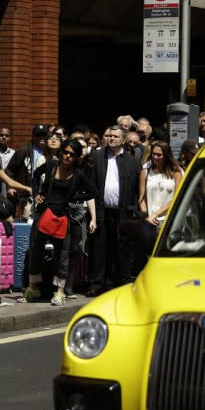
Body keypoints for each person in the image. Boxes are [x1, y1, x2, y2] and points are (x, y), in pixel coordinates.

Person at [23, 140, 97, 306]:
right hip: (43, 212)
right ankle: (33, 287)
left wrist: (73, 198)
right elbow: (35, 176)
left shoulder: (78, 174)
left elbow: (93, 191)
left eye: (71, 154)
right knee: (36, 249)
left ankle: (60, 291)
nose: (67, 156)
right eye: (65, 152)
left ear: (77, 157)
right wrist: (36, 194)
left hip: (63, 215)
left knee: (62, 254)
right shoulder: (51, 165)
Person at [85, 125, 141, 296]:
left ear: (124, 140)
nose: (111, 138)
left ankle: (121, 284)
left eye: (115, 136)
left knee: (122, 250)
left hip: (124, 213)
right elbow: (91, 186)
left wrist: (135, 211)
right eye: (109, 135)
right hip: (102, 211)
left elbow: (138, 188)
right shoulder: (97, 156)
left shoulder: (132, 161)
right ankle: (96, 284)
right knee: (100, 249)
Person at [134, 141, 182, 275]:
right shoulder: (146, 171)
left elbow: (176, 198)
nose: (155, 157)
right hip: (149, 220)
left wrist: (156, 214)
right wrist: (146, 216)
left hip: (167, 219)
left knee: (166, 255)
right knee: (149, 256)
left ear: (166, 155)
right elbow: (142, 198)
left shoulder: (176, 173)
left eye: (159, 155)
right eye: (153, 154)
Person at [5, 124, 48, 221]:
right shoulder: (23, 151)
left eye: (44, 135)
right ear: (33, 136)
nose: (41, 137)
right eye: (38, 135)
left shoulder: (50, 152)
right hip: (27, 194)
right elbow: (10, 170)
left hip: (44, 195)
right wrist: (10, 187)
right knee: (27, 222)